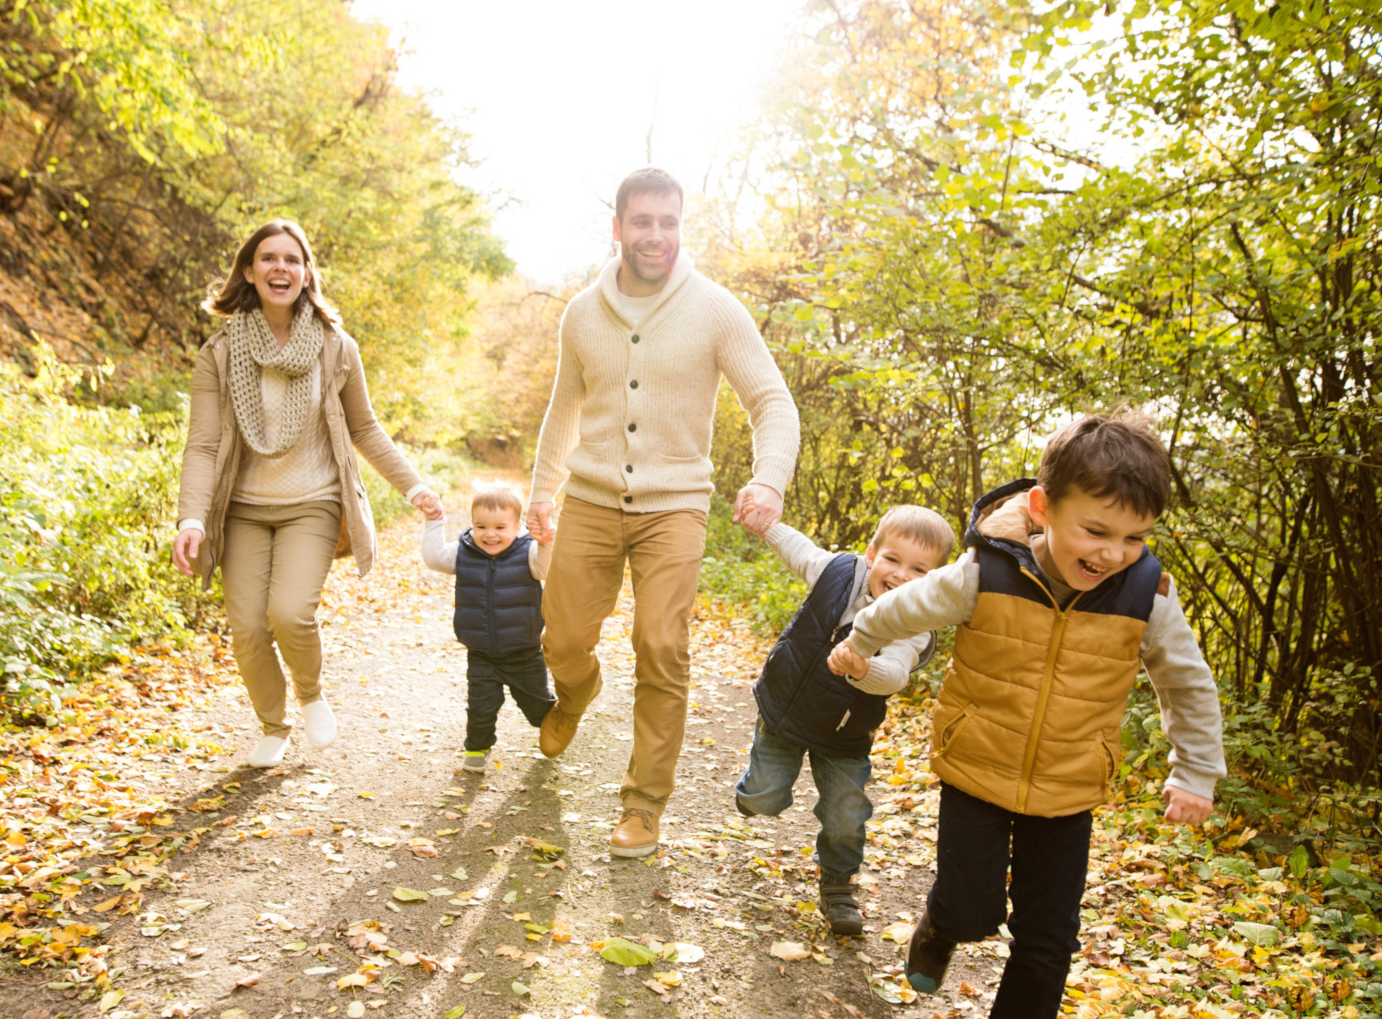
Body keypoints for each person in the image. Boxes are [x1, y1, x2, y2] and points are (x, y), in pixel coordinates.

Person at [829, 411, 1227, 1018]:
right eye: (1096, 531)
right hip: (976, 772)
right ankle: (940, 926)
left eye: (1135, 538)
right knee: (971, 910)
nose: (1114, 553)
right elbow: (905, 607)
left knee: (1047, 942)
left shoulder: (1146, 598)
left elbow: (1187, 682)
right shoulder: (985, 573)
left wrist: (1196, 770)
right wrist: (860, 640)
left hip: (1069, 789)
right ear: (1042, 508)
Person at [525, 167, 801, 857]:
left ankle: (644, 804)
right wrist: (541, 490)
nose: (656, 236)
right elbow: (565, 408)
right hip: (589, 497)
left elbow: (772, 401)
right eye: (642, 222)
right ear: (617, 228)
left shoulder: (715, 310)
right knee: (561, 638)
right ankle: (576, 693)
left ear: (682, 227)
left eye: (669, 222)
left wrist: (769, 480)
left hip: (675, 504)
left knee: (661, 643)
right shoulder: (582, 313)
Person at [172, 219, 443, 768]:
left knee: (290, 613)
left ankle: (312, 693)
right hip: (243, 508)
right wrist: (191, 520)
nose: (281, 268)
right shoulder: (220, 353)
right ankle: (274, 726)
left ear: (305, 273)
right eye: (268, 258)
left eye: (292, 260)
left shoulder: (335, 347)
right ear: (249, 271)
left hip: (313, 503)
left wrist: (413, 484)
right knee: (248, 627)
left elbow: (364, 428)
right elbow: (201, 445)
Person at [736, 505, 955, 936]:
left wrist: (861, 669)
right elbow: (799, 551)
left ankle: (837, 884)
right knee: (764, 799)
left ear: (933, 579)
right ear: (872, 554)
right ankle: (755, 792)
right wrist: (767, 526)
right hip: (787, 709)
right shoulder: (838, 573)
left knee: (845, 814)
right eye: (893, 559)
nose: (901, 575)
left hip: (845, 733)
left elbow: (893, 674)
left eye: (919, 569)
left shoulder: (916, 623)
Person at [421, 483, 556, 772]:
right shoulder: (463, 552)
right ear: (472, 525)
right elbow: (433, 558)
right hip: (482, 653)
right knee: (480, 707)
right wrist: (434, 521)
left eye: (500, 527)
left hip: (524, 652)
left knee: (538, 709)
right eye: (481, 526)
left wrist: (545, 540)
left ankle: (559, 728)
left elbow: (546, 568)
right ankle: (477, 749)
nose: (489, 534)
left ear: (517, 526)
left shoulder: (529, 552)